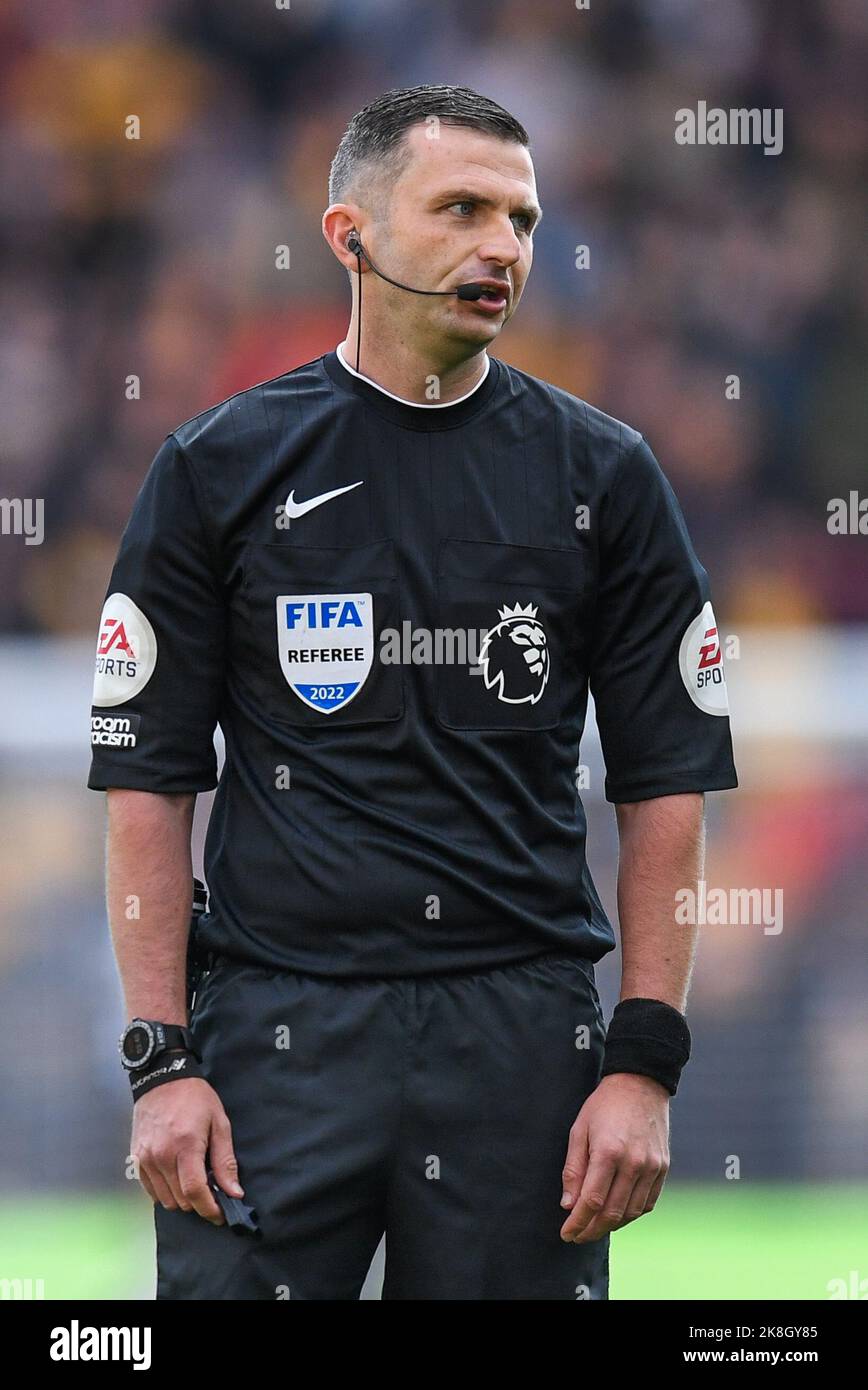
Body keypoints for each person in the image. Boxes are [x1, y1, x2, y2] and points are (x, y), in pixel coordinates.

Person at [89, 84, 737, 1300]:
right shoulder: (218, 468)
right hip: (278, 1037)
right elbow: (146, 780)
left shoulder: (606, 476)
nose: (502, 246)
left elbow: (669, 781)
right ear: (351, 235)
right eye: (461, 209)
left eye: (523, 219)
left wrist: (644, 1062)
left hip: (521, 1042)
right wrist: (159, 1059)